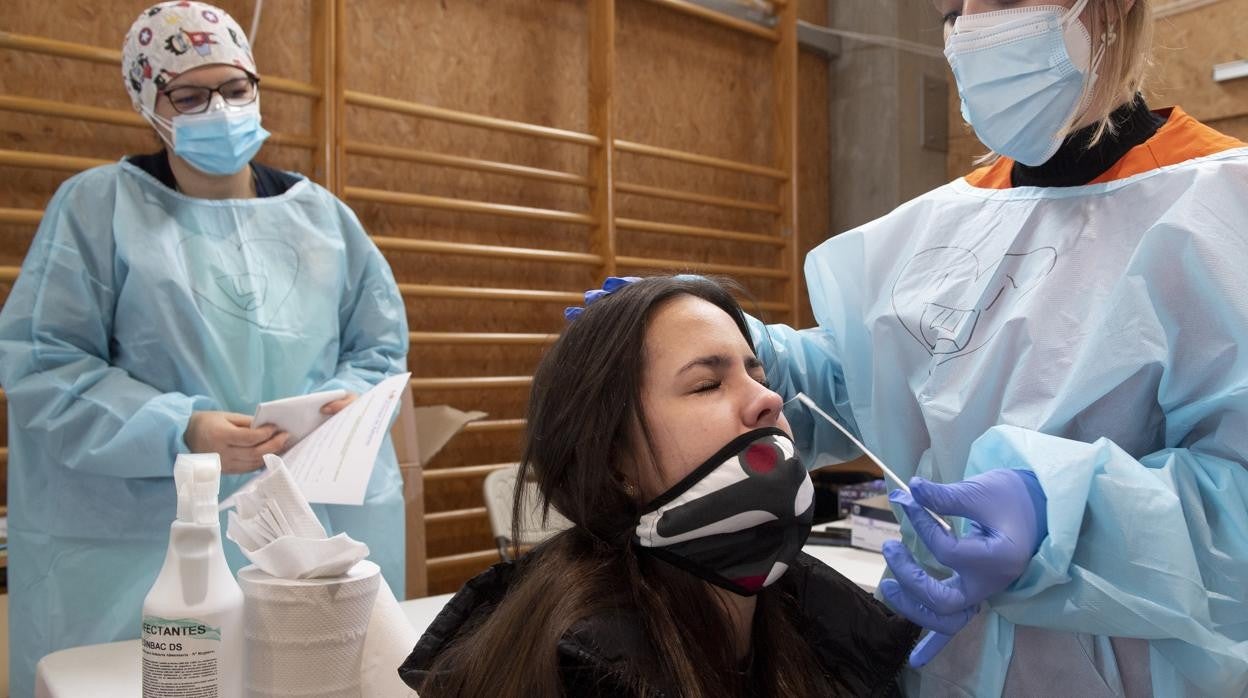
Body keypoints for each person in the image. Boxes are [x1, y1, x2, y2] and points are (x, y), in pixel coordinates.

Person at [750, 0, 1248, 695]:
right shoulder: (945, 222)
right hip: (941, 669)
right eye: (952, 9)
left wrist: (1064, 516)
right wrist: (741, 353)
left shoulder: (1225, 207)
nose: (973, 26)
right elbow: (858, 382)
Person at [0, 3, 408, 695]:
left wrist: (341, 409)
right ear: (149, 105)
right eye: (189, 95)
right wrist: (182, 429)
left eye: (235, 88)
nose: (219, 109)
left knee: (317, 674)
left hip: (307, 517)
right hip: (146, 536)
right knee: (156, 679)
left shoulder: (324, 219)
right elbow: (45, 361)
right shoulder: (98, 209)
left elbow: (379, 349)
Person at [399, 276, 919, 697]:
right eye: (707, 384)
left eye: (760, 376)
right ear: (613, 462)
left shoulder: (830, 629)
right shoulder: (581, 672)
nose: (770, 401)